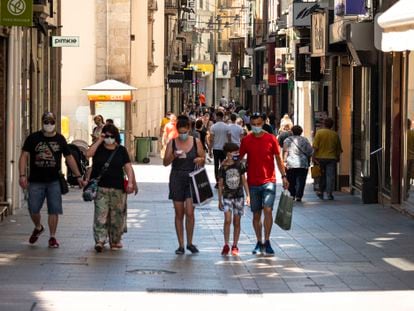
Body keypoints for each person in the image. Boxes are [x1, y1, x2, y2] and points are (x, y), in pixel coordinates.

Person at [19, 112, 85, 248]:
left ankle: (52, 237)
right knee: (33, 208)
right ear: (42, 122)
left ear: (55, 123)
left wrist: (78, 175)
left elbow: (69, 158)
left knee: (54, 209)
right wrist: (22, 175)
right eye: (46, 122)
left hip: (54, 180)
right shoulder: (33, 138)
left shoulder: (60, 139)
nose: (49, 124)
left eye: (51, 122)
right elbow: (24, 155)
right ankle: (38, 227)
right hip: (36, 180)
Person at [239, 112, 289, 255]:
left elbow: (278, 159)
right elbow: (239, 157)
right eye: (253, 125)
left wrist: (284, 176)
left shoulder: (271, 139)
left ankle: (267, 240)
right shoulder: (247, 140)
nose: (256, 127)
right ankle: (258, 241)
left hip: (269, 181)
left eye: (258, 124)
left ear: (263, 124)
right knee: (256, 214)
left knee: (267, 210)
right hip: (253, 182)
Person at [85, 124, 136, 252]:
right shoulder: (98, 148)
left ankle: (115, 240)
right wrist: (99, 140)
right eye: (106, 136)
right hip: (101, 188)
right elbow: (88, 154)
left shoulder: (121, 150)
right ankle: (100, 240)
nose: (109, 138)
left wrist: (131, 182)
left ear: (116, 137)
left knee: (116, 215)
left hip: (117, 188)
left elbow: (128, 167)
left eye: (111, 136)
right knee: (100, 215)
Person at [163, 115, 205, 255]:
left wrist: (199, 159)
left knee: (190, 212)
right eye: (180, 132)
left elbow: (203, 158)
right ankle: (181, 244)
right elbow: (165, 162)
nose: (182, 134)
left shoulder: (196, 141)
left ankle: (190, 242)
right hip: (177, 177)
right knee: (179, 212)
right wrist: (174, 155)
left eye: (185, 131)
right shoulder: (172, 143)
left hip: (191, 178)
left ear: (189, 129)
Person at [218, 143, 250, 256]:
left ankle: (235, 245)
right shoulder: (223, 166)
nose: (237, 154)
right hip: (227, 196)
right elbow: (220, 183)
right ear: (228, 154)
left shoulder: (239, 165)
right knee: (227, 220)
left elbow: (244, 180)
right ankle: (226, 244)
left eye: (238, 152)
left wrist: (248, 195)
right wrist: (219, 199)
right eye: (235, 152)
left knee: (237, 221)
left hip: (239, 196)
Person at [312, 117, 342, 200]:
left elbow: (315, 147)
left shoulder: (319, 133)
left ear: (324, 124)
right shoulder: (335, 134)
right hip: (331, 158)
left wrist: (313, 157)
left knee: (320, 175)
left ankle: (320, 191)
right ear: (332, 125)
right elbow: (338, 149)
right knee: (330, 176)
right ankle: (329, 193)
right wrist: (338, 158)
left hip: (320, 158)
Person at [283, 125, 313, 202]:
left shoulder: (287, 140)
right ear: (301, 132)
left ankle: (292, 194)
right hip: (303, 163)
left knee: (291, 179)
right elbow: (310, 151)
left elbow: (285, 151)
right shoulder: (305, 140)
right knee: (301, 180)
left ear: (292, 132)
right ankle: (299, 195)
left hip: (291, 163)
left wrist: (284, 161)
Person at [209, 111, 231, 187]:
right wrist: (229, 150)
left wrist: (209, 150)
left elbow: (211, 139)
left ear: (217, 116)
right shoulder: (227, 127)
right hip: (224, 149)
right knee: (224, 165)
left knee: (216, 165)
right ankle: (223, 181)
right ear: (222, 117)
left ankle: (218, 182)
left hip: (216, 148)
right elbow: (229, 139)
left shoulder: (213, 127)